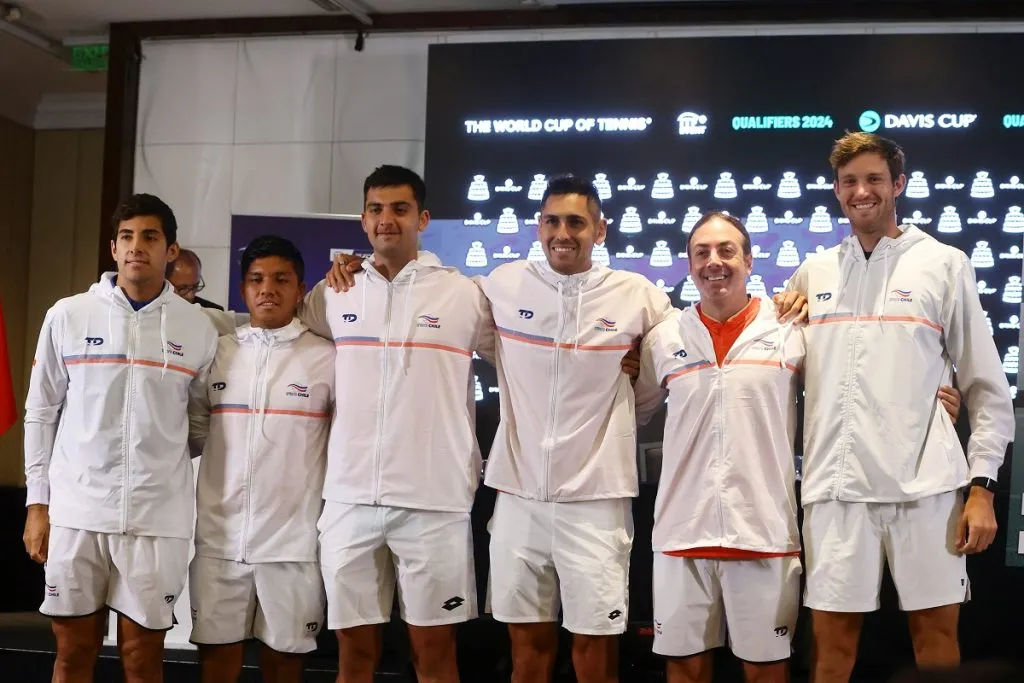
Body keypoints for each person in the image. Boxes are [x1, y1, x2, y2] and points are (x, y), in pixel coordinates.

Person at [328, 174, 673, 683]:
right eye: (553, 221)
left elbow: (662, 369)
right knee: (525, 652)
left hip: (598, 500)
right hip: (517, 496)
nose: (563, 232)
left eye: (576, 222)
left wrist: (633, 393)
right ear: (538, 228)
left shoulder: (638, 295)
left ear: (600, 230)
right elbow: (471, 336)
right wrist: (351, 266)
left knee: (595, 657)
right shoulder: (500, 287)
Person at [630, 212, 961, 683]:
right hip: (680, 534)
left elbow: (857, 383)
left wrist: (929, 399)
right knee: (683, 672)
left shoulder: (792, 328)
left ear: (749, 260)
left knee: (767, 674)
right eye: (701, 252)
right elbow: (632, 409)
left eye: (727, 251)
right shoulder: (663, 339)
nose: (714, 262)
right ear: (688, 264)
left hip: (764, 534)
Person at [777, 132, 1014, 682]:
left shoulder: (945, 263)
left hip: (926, 490)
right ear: (836, 191)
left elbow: (985, 386)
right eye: (850, 182)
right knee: (831, 647)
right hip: (835, 493)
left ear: (898, 184)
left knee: (936, 637)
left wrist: (982, 489)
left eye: (874, 179)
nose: (863, 192)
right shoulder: (812, 272)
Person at [301, 165, 492, 683]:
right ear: (363, 220)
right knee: (353, 659)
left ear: (423, 219)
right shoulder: (332, 294)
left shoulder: (464, 295)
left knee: (434, 657)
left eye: (400, 209)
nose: (387, 220)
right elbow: (286, 344)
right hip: (349, 499)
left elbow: (528, 360)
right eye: (376, 210)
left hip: (434, 502)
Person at [21, 193, 219, 683]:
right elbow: (41, 412)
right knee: (73, 653)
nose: (137, 247)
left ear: (171, 250)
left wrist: (157, 459)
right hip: (77, 513)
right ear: (113, 248)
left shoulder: (197, 327)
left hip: (157, 519)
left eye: (150, 237)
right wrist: (38, 504)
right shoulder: (67, 315)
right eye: (127, 237)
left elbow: (199, 422)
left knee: (141, 658)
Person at [187, 236, 334, 683]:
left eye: (280, 279)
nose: (267, 289)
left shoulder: (326, 358)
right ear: (243, 289)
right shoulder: (219, 353)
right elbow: (194, 434)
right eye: (256, 280)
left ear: (300, 289)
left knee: (284, 668)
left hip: (292, 546)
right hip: (218, 542)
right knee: (216, 667)